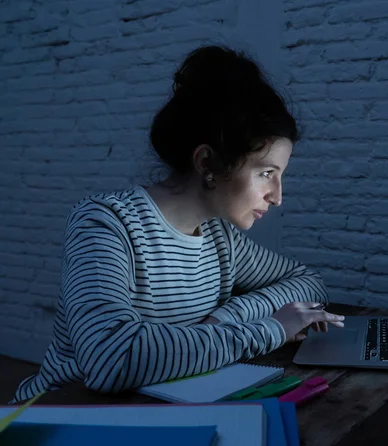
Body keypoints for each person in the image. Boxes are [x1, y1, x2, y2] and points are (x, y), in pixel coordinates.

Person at [11, 45, 345, 403]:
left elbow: (308, 284)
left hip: (161, 410)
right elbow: (111, 358)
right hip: (66, 415)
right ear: (207, 163)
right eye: (266, 173)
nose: (277, 196)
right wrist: (272, 329)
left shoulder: (220, 238)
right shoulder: (106, 224)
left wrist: (224, 319)